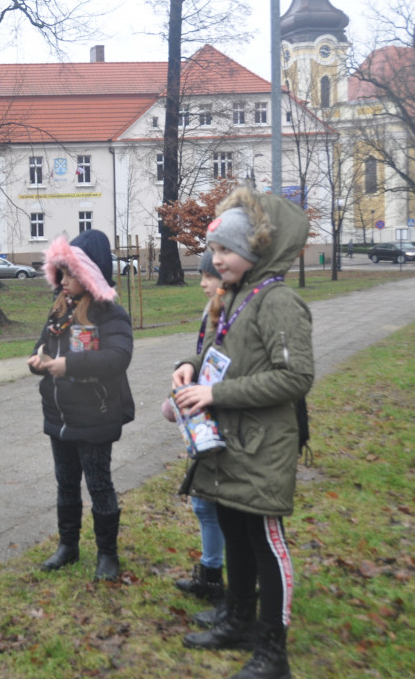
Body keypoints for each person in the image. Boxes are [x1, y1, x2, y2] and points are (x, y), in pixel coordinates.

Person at [173, 187, 313, 679]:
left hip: (263, 446)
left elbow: (296, 378)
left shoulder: (279, 301)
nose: (215, 260)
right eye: (213, 250)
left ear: (253, 250)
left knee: (263, 539)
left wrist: (216, 397)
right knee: (233, 527)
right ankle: (238, 619)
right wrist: (188, 370)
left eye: (224, 251)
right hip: (230, 442)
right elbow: (213, 353)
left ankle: (273, 652)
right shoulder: (234, 299)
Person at [28, 230, 135, 581]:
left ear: (91, 276)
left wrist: (69, 366)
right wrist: (37, 361)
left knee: (99, 485)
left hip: (95, 416)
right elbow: (43, 344)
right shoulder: (61, 307)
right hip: (59, 415)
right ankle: (68, 546)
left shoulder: (111, 314)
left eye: (71, 274)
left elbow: (117, 359)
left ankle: (108, 555)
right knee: (66, 483)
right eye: (61, 272)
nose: (63, 280)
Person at [172, 251, 226, 608]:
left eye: (208, 276)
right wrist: (187, 367)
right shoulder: (212, 313)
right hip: (206, 418)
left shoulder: (234, 316)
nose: (203, 283)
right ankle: (210, 574)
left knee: (218, 507)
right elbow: (206, 355)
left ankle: (222, 583)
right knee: (204, 505)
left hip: (224, 420)